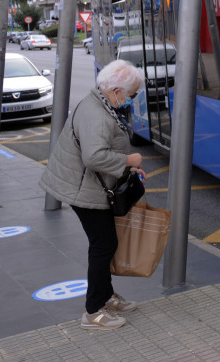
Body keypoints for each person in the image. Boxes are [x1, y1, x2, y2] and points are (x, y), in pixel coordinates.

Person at [39, 59, 145, 330]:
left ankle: (106, 296)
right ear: (118, 91)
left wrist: (125, 170)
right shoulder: (96, 113)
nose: (132, 99)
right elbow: (95, 155)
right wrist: (130, 160)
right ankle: (93, 311)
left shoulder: (100, 102)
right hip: (83, 188)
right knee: (104, 245)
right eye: (132, 94)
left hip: (87, 185)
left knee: (105, 243)